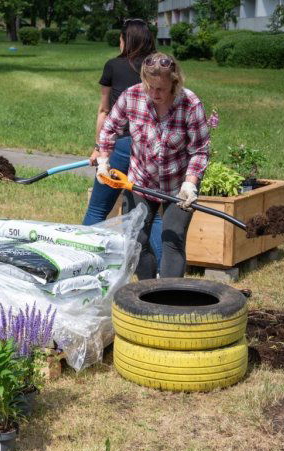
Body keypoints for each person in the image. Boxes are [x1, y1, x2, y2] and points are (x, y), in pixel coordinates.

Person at [97, 52, 211, 280]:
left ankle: (168, 299)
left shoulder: (189, 103)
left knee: (173, 238)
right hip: (141, 181)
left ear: (174, 82)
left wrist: (190, 185)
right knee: (134, 240)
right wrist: (103, 159)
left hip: (177, 186)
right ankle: (148, 291)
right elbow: (110, 128)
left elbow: (199, 150)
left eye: (161, 89)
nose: (154, 94)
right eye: (150, 87)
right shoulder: (132, 96)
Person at [83, 19, 161, 261]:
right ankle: (161, 271)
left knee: (98, 207)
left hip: (121, 146)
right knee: (153, 215)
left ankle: (81, 259)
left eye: (121, 38)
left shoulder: (113, 66)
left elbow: (104, 111)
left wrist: (99, 148)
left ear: (127, 40)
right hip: (152, 149)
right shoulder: (159, 69)